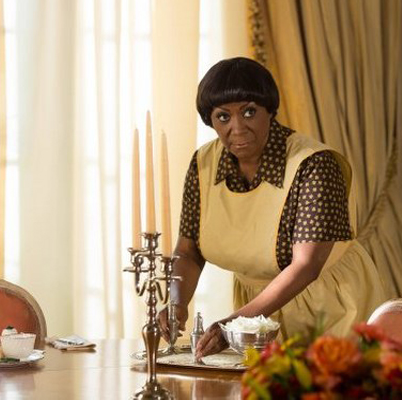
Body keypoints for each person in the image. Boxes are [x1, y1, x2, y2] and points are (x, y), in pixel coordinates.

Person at [158, 57, 386, 360]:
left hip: (330, 306)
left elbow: (306, 266)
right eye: (223, 117)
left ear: (270, 110)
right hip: (256, 316)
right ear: (210, 121)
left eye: (249, 112)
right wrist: (177, 303)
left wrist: (236, 323)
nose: (237, 128)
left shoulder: (315, 165)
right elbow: (188, 251)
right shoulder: (203, 164)